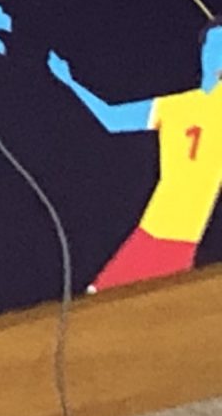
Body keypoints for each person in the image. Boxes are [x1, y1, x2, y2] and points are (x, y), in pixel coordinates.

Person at [48, 24, 222, 291]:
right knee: (102, 302)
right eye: (212, 46)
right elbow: (113, 119)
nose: (216, 53)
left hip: (182, 236)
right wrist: (70, 82)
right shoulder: (173, 106)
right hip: (153, 227)